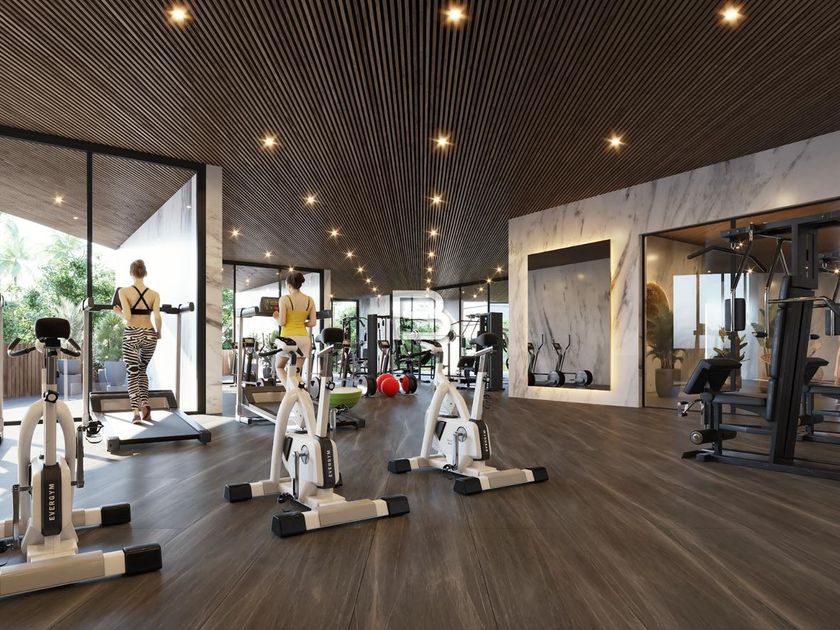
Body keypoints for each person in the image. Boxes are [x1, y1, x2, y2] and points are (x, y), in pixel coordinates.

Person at [113, 259, 162, 423]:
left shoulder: (124, 291)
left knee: (132, 373)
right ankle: (145, 404)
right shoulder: (154, 294)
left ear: (131, 273)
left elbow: (127, 316)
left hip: (132, 333)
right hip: (149, 334)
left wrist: (118, 312)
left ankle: (135, 412)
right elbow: (157, 317)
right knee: (142, 370)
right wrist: (159, 333)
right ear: (145, 273)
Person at [273, 271, 317, 376]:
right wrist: (301, 324)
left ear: (289, 285)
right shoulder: (310, 300)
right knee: (295, 375)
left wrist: (276, 317)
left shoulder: (284, 299)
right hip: (304, 339)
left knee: (279, 367)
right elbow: (313, 322)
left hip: (288, 339)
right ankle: (294, 387)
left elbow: (282, 322)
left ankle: (289, 386)